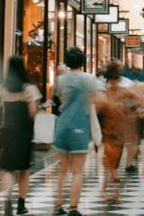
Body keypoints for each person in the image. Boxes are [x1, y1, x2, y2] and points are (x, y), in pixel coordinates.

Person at [52, 47, 100, 216]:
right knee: (77, 171)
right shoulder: (89, 79)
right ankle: (73, 209)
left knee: (62, 170)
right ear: (82, 62)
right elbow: (95, 100)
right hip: (80, 126)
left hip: (62, 126)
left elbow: (57, 99)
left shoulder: (60, 80)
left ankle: (57, 206)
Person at [95, 61, 144, 202]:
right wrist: (138, 110)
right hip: (112, 131)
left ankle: (109, 190)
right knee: (111, 161)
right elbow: (139, 99)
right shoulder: (119, 92)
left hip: (112, 131)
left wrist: (137, 110)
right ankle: (112, 190)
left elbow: (139, 100)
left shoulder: (106, 93)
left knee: (111, 161)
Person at [0, 56, 40, 216]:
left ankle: (7, 201)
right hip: (24, 134)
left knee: (8, 169)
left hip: (8, 132)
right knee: (24, 170)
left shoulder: (2, 88)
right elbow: (32, 112)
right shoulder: (29, 89)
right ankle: (21, 205)